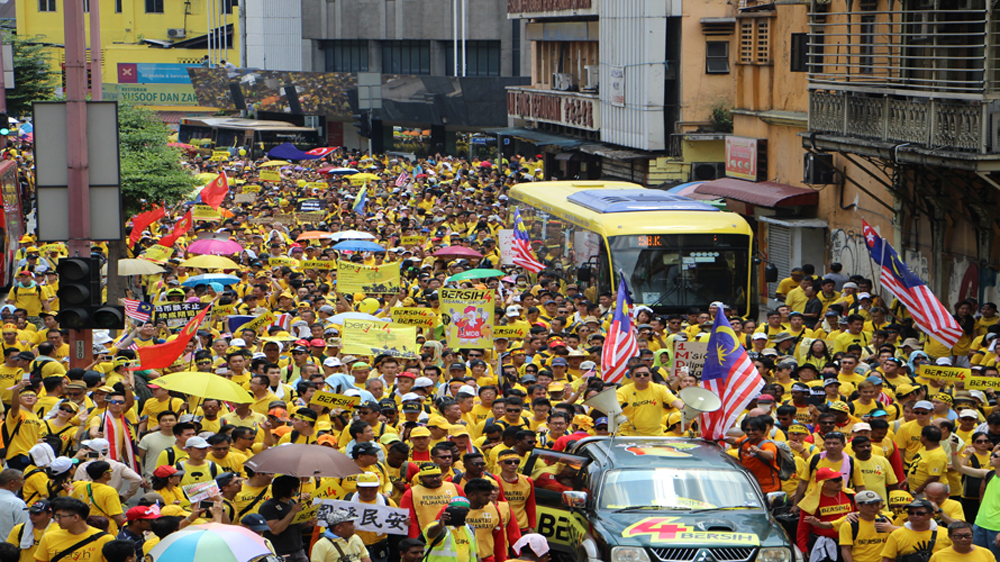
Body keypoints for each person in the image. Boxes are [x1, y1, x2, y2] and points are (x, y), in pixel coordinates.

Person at [34, 497, 114, 562]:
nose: (57, 520)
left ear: (75, 517)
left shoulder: (105, 539)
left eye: (59, 516)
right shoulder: (49, 537)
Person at [400, 462, 466, 539]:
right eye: (430, 476)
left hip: (455, 536)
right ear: (421, 478)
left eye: (437, 476)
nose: (434, 479)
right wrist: (415, 541)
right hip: (427, 537)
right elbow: (412, 521)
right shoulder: (410, 493)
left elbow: (466, 510)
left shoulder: (455, 488)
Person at [259, 475, 314, 562]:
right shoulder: (268, 507)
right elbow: (275, 530)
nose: (297, 491)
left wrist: (307, 523)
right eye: (296, 489)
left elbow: (295, 526)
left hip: (299, 551)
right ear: (291, 489)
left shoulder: (292, 503)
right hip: (281, 554)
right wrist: (292, 512)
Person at [880, 498, 952, 561]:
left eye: (920, 513)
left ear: (931, 515)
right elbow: (888, 558)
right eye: (911, 513)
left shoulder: (946, 533)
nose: (915, 516)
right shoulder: (896, 534)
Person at [839, 490, 893, 562]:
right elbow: (846, 549)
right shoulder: (850, 525)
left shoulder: (887, 520)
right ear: (858, 505)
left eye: (877, 504)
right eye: (870, 505)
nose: (875, 507)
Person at [929, 521, 996, 562]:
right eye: (958, 536)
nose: (963, 539)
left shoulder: (986, 553)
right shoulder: (938, 556)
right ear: (950, 537)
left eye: (967, 535)